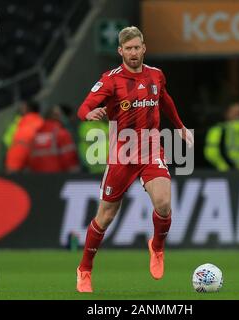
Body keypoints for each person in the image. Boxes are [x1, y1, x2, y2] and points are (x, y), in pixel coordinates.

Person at [75, 26, 193, 293]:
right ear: (120, 51)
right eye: (128, 49)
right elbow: (85, 105)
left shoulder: (156, 75)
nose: (133, 53)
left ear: (144, 48)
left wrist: (180, 127)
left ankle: (157, 247)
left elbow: (165, 101)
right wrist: (88, 115)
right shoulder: (110, 80)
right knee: (105, 216)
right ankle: (84, 269)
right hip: (122, 154)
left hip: (151, 150)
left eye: (137, 47)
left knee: (163, 203)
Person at [204, 101, 239, 171]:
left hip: (225, 172)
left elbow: (211, 153)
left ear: (227, 113)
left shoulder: (218, 130)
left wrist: (224, 167)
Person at [27, 105, 80, 173]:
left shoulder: (35, 134)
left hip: (37, 177)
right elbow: (70, 160)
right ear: (57, 116)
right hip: (59, 178)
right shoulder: (61, 133)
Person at [5, 100, 44, 173]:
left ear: (26, 109)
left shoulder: (24, 128)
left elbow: (15, 161)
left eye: (22, 107)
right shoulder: (43, 124)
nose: (20, 110)